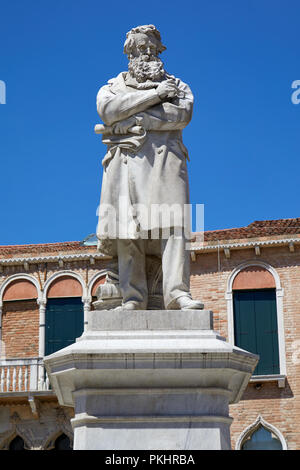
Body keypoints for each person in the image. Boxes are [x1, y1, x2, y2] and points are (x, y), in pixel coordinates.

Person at [96, 25, 204, 311]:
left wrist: (136, 119)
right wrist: (156, 94)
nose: (148, 54)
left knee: (174, 226)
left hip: (166, 161)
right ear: (130, 52)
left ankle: (177, 293)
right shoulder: (113, 86)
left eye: (152, 49)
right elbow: (109, 111)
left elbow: (180, 114)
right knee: (127, 229)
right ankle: (133, 297)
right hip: (126, 164)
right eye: (141, 48)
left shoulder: (178, 86)